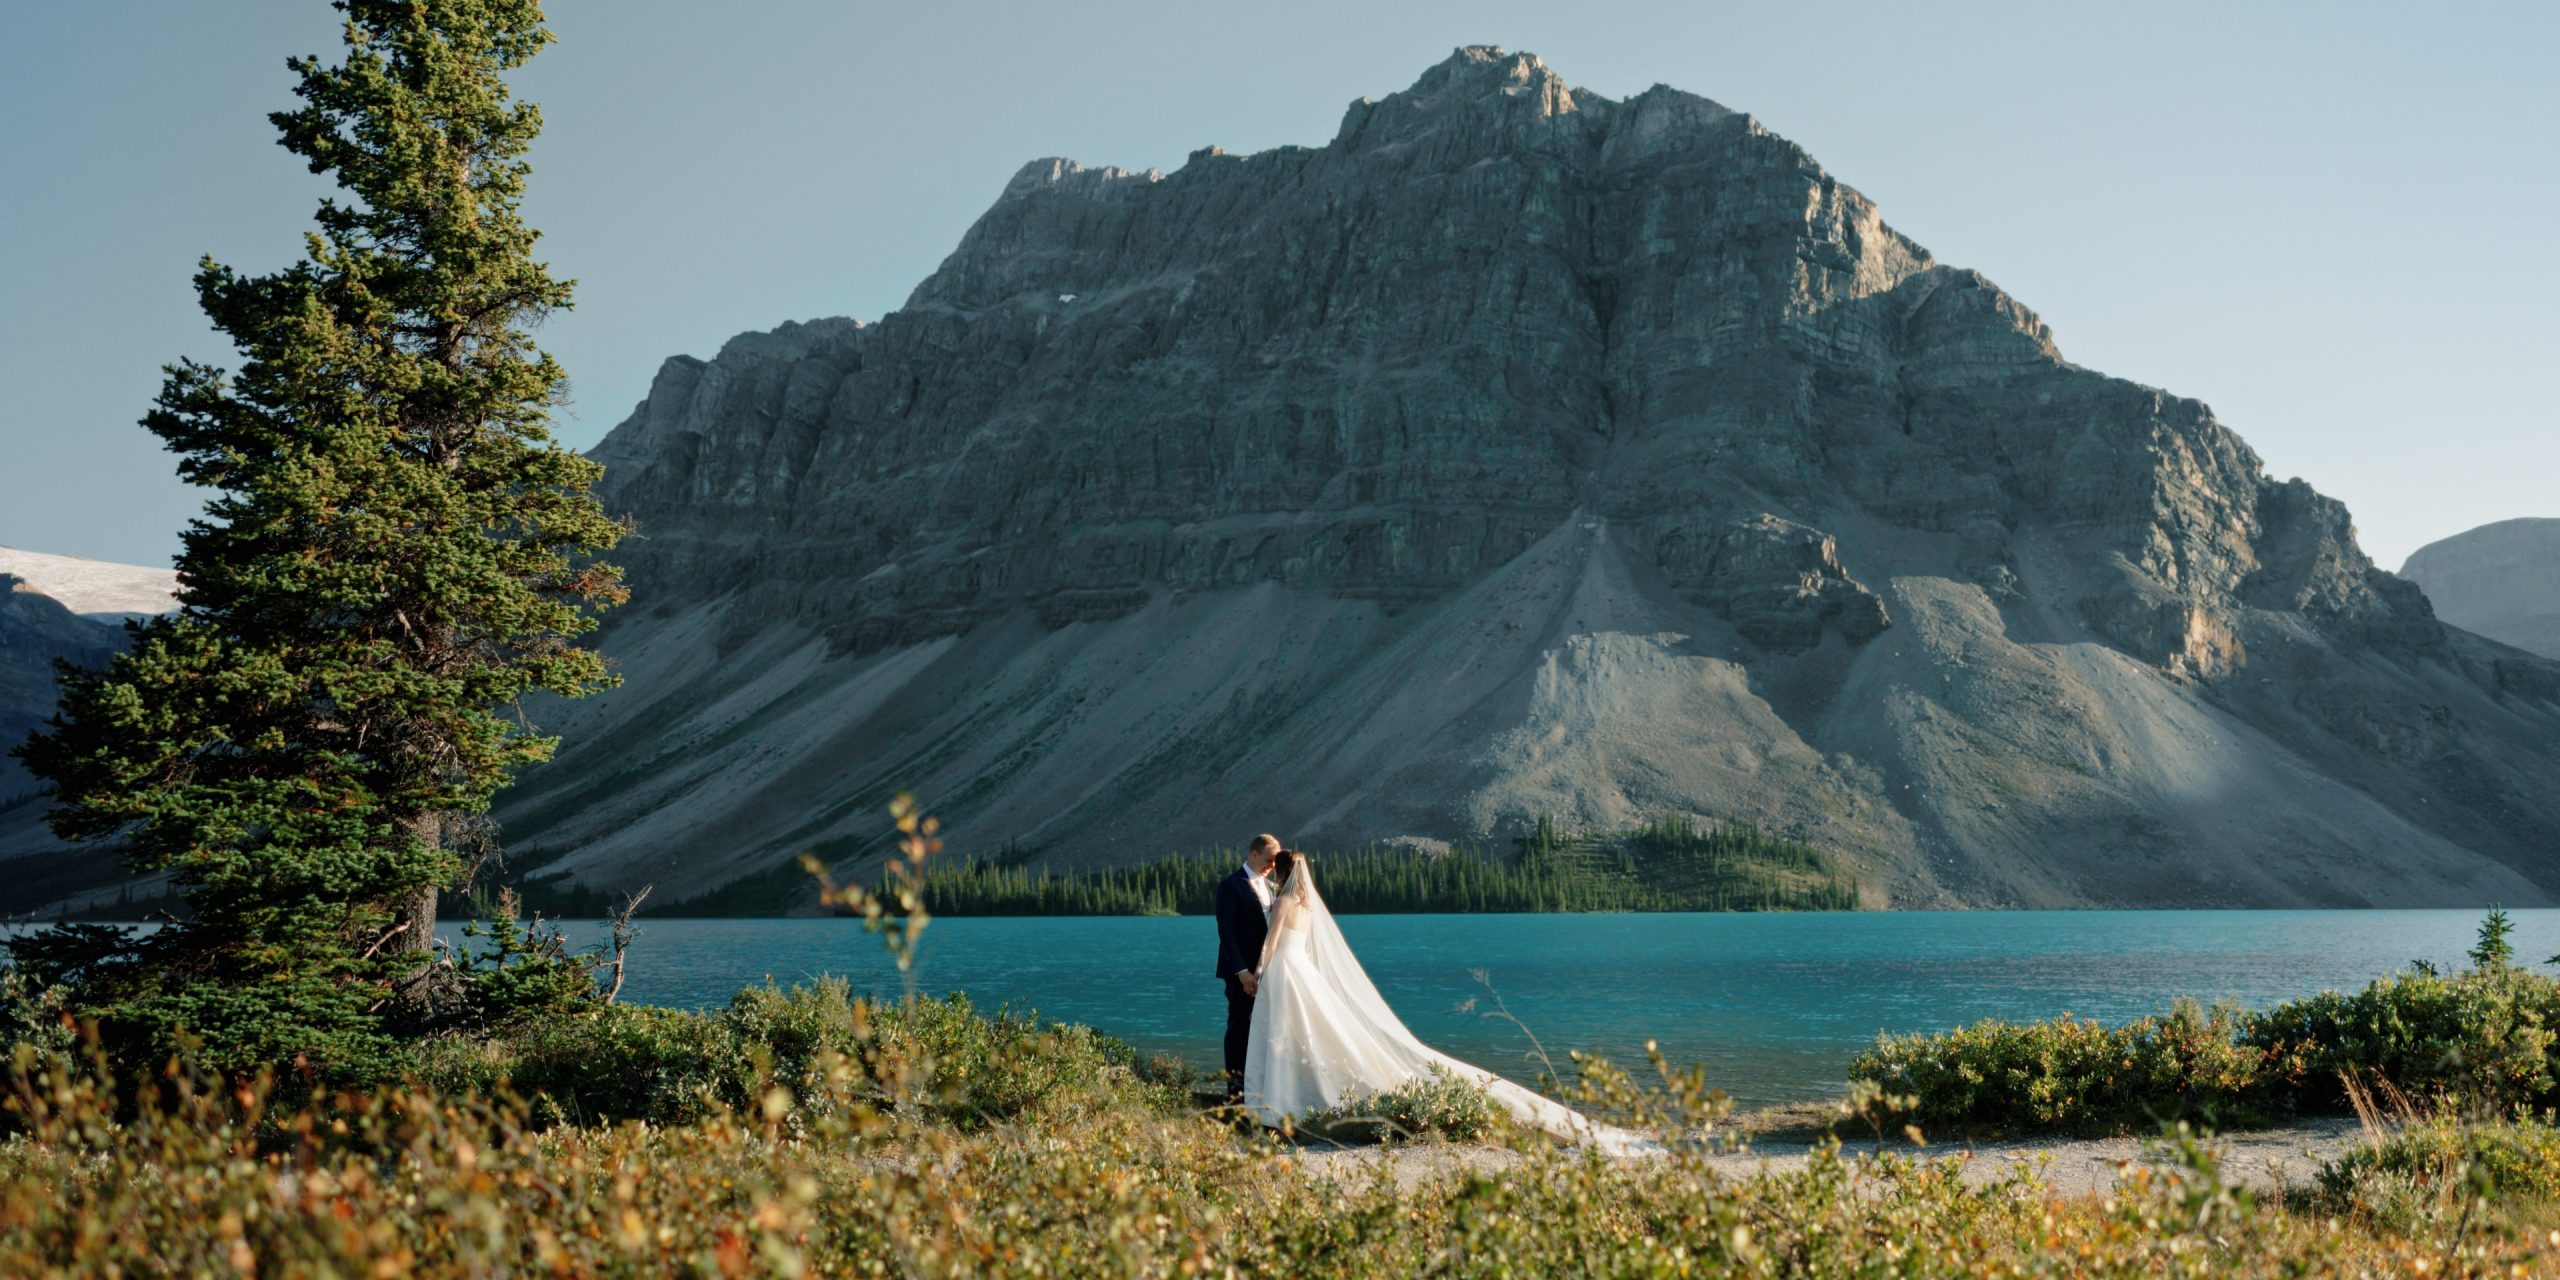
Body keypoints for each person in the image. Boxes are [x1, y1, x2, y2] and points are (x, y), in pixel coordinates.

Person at [1241, 849, 1653, 1153]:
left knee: (1282, 1034)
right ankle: (1288, 1103)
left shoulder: (1282, 902)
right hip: (1303, 973)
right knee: (1311, 1032)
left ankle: (1276, 1106)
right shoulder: (1309, 906)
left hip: (1285, 972)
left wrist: (1257, 972)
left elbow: (1272, 943)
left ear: (1280, 872)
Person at [1212, 833, 1281, 1107]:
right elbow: (1226, 933)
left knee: (1262, 1030)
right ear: (1253, 854)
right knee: (1239, 1029)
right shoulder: (1231, 886)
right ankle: (1235, 1095)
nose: (1272, 866)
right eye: (1268, 860)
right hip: (1240, 973)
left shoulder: (1270, 886)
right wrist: (1242, 972)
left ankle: (1257, 1090)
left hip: (1266, 972)